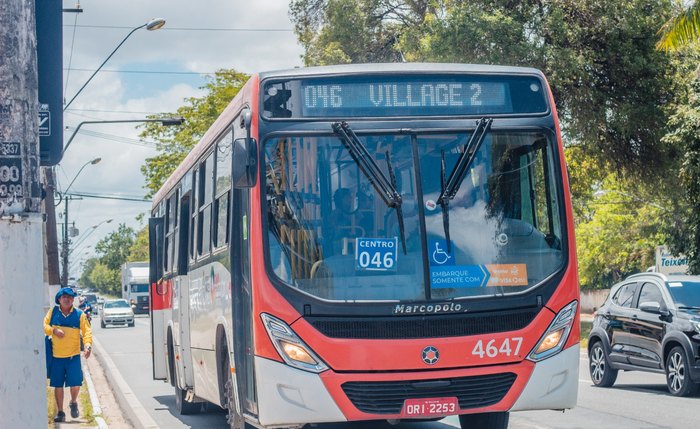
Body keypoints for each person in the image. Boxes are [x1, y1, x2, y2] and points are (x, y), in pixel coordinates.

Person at [44, 287, 93, 422]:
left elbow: (87, 331)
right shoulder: (53, 312)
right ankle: (60, 412)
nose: (67, 299)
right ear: (59, 299)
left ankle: (73, 401)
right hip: (56, 357)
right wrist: (54, 331)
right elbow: (44, 326)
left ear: (73, 300)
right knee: (58, 385)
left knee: (76, 384)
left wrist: (88, 345)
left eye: (70, 297)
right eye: (64, 297)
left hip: (73, 357)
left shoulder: (79, 314)